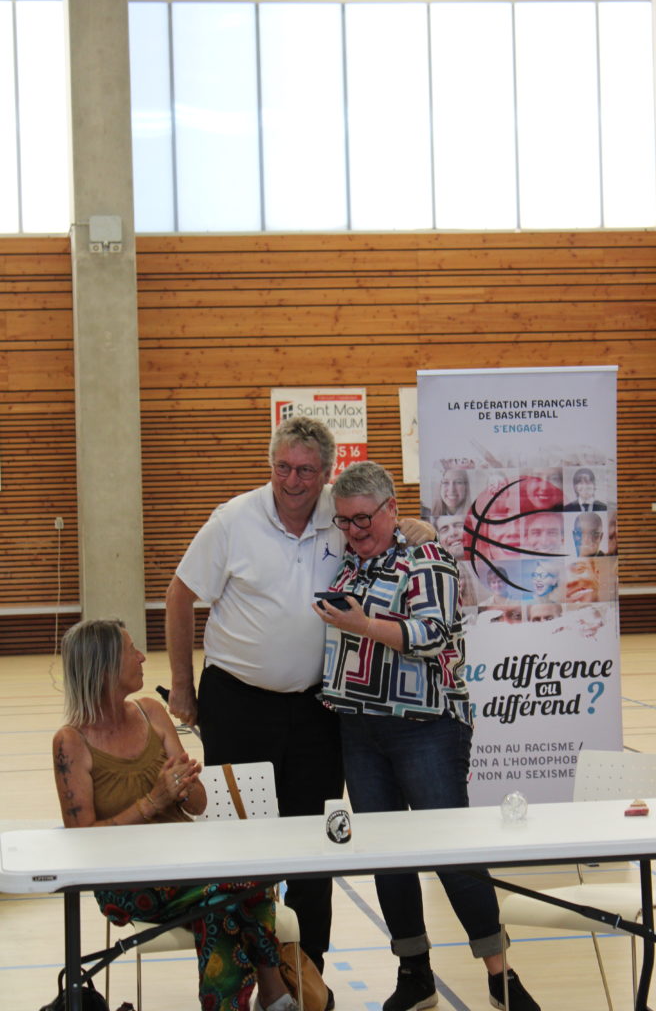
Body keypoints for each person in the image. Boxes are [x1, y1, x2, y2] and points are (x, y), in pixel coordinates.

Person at [165, 415, 432, 981]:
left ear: (327, 472)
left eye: (307, 470)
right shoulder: (233, 520)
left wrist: (416, 527)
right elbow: (180, 597)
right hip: (238, 704)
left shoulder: (342, 515)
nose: (293, 480)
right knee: (240, 844)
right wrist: (183, 686)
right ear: (271, 465)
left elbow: (389, 528)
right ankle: (244, 973)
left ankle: (308, 976)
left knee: (317, 842)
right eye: (283, 467)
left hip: (318, 709)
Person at [313, 461, 541, 1011]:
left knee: (453, 853)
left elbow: (433, 634)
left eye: (363, 518)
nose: (353, 530)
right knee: (388, 857)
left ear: (391, 508)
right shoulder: (349, 560)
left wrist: (363, 625)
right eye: (344, 521)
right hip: (359, 728)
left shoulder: (427, 557)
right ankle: (414, 973)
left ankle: (501, 976)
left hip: (426, 728)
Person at [52, 619, 295, 1011]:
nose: (142, 657)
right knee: (231, 891)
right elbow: (82, 837)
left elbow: (197, 805)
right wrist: (152, 801)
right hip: (125, 879)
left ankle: (255, 998)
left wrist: (185, 786)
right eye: (131, 650)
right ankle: (274, 990)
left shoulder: (150, 711)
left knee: (225, 898)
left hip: (186, 863)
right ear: (105, 667)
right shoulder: (71, 742)